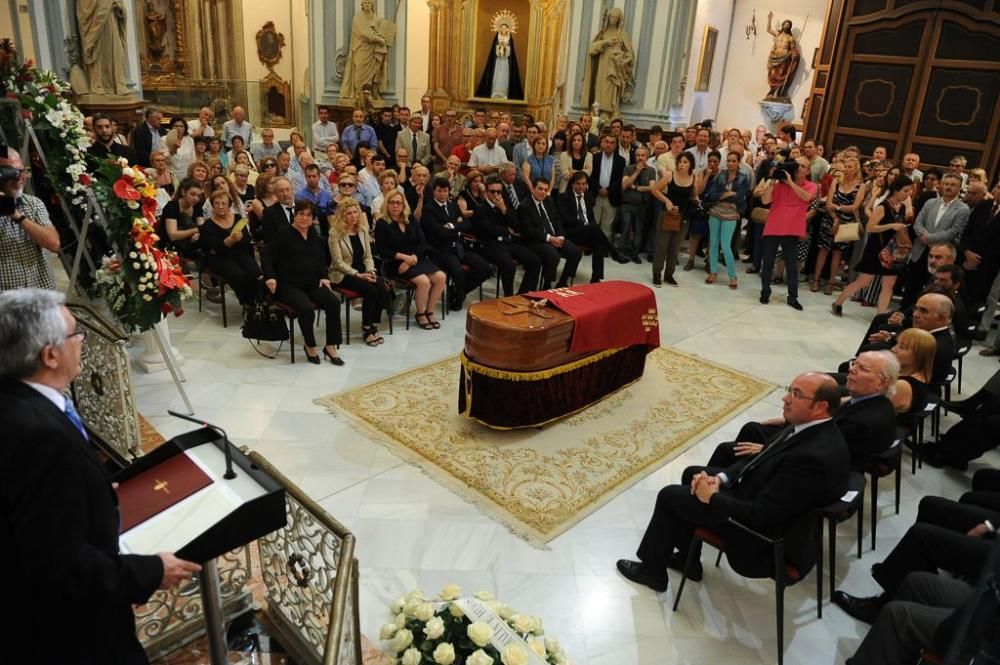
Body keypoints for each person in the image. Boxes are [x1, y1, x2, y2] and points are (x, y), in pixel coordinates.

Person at [0, 288, 203, 665]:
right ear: (50, 354)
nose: (82, 340)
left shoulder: (17, 401)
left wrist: (88, 491)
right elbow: (60, 566)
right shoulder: (38, 436)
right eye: (75, 333)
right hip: (74, 635)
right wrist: (153, 570)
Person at [616, 372, 848, 592]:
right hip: (757, 496)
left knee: (670, 496)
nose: (785, 398)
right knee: (693, 475)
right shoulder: (808, 427)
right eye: (790, 390)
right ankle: (689, 561)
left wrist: (713, 497)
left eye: (796, 394)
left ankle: (652, 572)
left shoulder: (811, 459)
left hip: (759, 536)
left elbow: (761, 516)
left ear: (820, 407)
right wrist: (719, 479)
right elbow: (760, 458)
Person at [262, 200, 344, 365]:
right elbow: (267, 256)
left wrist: (324, 276)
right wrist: (270, 276)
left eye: (308, 215)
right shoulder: (283, 233)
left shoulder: (313, 233)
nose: (304, 218)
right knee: (306, 309)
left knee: (334, 303)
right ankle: (310, 345)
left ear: (312, 218)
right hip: (287, 284)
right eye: (301, 214)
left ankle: (330, 346)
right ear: (295, 215)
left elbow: (321, 258)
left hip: (312, 282)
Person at [833, 175, 915, 315]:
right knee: (863, 280)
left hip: (893, 250)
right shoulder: (882, 207)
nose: (908, 194)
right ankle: (838, 302)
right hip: (876, 248)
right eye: (905, 191)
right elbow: (870, 227)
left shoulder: (901, 207)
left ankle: (880, 316)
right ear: (896, 190)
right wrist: (891, 226)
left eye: (909, 191)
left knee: (888, 285)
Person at [374, 190, 446, 330]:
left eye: (399, 203)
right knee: (424, 281)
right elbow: (382, 250)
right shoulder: (382, 223)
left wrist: (413, 258)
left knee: (441, 277)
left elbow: (422, 243)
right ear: (387, 204)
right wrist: (403, 258)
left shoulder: (410, 219)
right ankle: (420, 314)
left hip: (415, 259)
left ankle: (429, 311)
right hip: (395, 263)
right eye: (392, 202)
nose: (395, 206)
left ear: (403, 204)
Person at [421, 177, 492, 310]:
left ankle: (458, 291)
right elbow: (439, 232)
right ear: (434, 192)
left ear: (449, 191)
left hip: (459, 247)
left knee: (486, 268)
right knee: (457, 272)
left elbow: (467, 224)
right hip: (441, 250)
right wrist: (458, 228)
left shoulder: (453, 206)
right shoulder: (428, 209)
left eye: (445, 191)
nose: (442, 194)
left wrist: (452, 226)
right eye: (439, 191)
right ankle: (457, 300)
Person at [900, 173, 970, 307]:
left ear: (960, 188)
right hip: (921, 249)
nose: (948, 187)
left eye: (953, 185)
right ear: (941, 185)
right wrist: (924, 237)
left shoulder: (963, 209)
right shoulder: (930, 202)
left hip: (942, 254)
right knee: (912, 284)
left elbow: (954, 231)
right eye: (946, 184)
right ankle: (905, 311)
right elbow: (918, 222)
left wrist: (930, 238)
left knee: (932, 286)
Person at [759, 156, 818, 310]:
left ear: (808, 170)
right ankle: (765, 291)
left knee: (792, 266)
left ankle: (793, 297)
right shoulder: (779, 183)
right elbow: (765, 201)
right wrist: (773, 180)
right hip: (773, 226)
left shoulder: (811, 185)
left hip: (792, 230)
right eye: (797, 165)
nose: (799, 168)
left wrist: (790, 182)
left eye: (804, 166)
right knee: (768, 262)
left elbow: (807, 197)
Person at [329, 198, 389, 346]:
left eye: (355, 212)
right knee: (370, 291)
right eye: (349, 213)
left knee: (382, 287)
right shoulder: (334, 233)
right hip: (343, 273)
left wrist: (371, 270)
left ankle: (374, 325)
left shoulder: (362, 229)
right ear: (342, 215)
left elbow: (368, 256)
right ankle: (366, 328)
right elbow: (338, 262)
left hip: (363, 270)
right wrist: (358, 274)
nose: (353, 216)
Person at [0, 146, 60, 291]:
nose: (20, 177)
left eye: (22, 171)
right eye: (12, 172)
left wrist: (17, 215)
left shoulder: (33, 203)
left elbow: (54, 244)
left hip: (41, 292)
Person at [476, 175, 542, 295]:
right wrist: (506, 229)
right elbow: (488, 230)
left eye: (499, 191)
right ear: (486, 192)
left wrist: (504, 210)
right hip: (490, 245)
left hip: (508, 242)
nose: (496, 194)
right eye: (492, 191)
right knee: (509, 266)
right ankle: (508, 297)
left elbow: (516, 225)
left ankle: (523, 294)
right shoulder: (480, 208)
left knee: (535, 261)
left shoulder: (504, 204)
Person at [558, 171, 628, 283]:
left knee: (598, 241)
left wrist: (590, 226)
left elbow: (591, 218)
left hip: (588, 232)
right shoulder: (564, 197)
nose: (581, 186)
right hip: (570, 232)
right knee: (594, 229)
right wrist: (582, 224)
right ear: (573, 184)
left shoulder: (588, 196)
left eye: (584, 184)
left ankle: (595, 278)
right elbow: (564, 218)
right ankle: (613, 252)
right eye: (579, 184)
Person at [198, 189, 261, 306]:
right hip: (219, 258)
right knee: (237, 275)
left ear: (229, 205)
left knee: (255, 272)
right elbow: (215, 249)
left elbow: (247, 241)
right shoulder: (208, 225)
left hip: (239, 253)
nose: (220, 206)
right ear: (212, 205)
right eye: (217, 203)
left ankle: (257, 302)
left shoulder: (237, 218)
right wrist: (230, 240)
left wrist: (239, 239)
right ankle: (247, 304)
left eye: (223, 203)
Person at [517, 178, 581, 290]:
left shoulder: (549, 200)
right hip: (535, 240)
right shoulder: (524, 206)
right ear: (533, 189)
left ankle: (562, 282)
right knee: (553, 255)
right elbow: (529, 231)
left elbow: (557, 220)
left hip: (554, 237)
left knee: (575, 252)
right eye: (540, 189)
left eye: (545, 190)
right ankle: (547, 285)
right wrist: (550, 239)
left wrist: (560, 236)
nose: (543, 192)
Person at [814, 156, 865, 294]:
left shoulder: (861, 185)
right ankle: (816, 280)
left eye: (850, 167)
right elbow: (829, 203)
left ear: (856, 170)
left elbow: (854, 207)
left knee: (838, 253)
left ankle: (831, 283)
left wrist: (837, 208)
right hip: (829, 220)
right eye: (846, 167)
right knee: (823, 250)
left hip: (846, 223)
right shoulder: (836, 181)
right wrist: (835, 216)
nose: (847, 170)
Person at [704, 151, 751, 288]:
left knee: (725, 245)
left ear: (738, 162)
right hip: (715, 212)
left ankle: (732, 276)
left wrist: (724, 196)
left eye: (734, 161)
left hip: (731, 214)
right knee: (713, 243)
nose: (731, 163)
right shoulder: (720, 175)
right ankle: (713, 272)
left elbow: (740, 197)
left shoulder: (743, 178)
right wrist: (727, 195)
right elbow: (711, 195)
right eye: (729, 161)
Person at [650, 152, 695, 287]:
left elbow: (695, 194)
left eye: (685, 162)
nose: (681, 164)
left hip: (684, 217)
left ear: (691, 164)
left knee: (675, 249)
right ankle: (657, 274)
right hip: (668, 215)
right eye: (680, 161)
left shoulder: (694, 177)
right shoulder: (670, 175)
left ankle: (669, 275)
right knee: (661, 247)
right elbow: (655, 190)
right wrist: (667, 201)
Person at [580, 7, 635, 117]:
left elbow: (630, 54)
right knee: (600, 87)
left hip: (613, 66)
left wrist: (622, 58)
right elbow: (592, 49)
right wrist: (605, 42)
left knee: (609, 88)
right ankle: (597, 109)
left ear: (619, 20)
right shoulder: (603, 32)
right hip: (602, 65)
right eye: (612, 17)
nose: (613, 19)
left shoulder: (621, 33)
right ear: (609, 17)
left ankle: (607, 111)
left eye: (616, 17)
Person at [619, 146, 657, 263]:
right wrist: (636, 172)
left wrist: (636, 187)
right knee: (625, 229)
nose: (640, 158)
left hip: (642, 206)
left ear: (647, 157)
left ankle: (635, 254)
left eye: (643, 155)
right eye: (638, 155)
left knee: (638, 231)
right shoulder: (628, 168)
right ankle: (622, 253)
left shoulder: (651, 170)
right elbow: (625, 185)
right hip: (627, 205)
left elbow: (652, 188)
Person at [889, 328, 934, 415]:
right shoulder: (920, 375)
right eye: (897, 344)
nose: (893, 349)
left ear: (918, 356)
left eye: (902, 347)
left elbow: (870, 410)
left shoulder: (903, 385)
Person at [589, 134, 626, 239]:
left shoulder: (621, 160)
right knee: (593, 222)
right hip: (596, 194)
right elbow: (591, 176)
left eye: (612, 142)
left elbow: (620, 179)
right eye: (607, 142)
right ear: (603, 143)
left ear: (616, 145)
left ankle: (604, 247)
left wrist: (608, 190)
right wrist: (599, 189)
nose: (609, 145)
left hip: (611, 196)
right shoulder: (595, 157)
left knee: (607, 224)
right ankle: (592, 246)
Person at [161, 177, 204, 259]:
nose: (196, 198)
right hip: (170, 246)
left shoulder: (197, 205)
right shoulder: (172, 206)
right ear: (183, 192)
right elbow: (172, 235)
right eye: (192, 194)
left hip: (190, 243)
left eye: (198, 196)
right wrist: (195, 231)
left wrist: (198, 234)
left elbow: (201, 227)